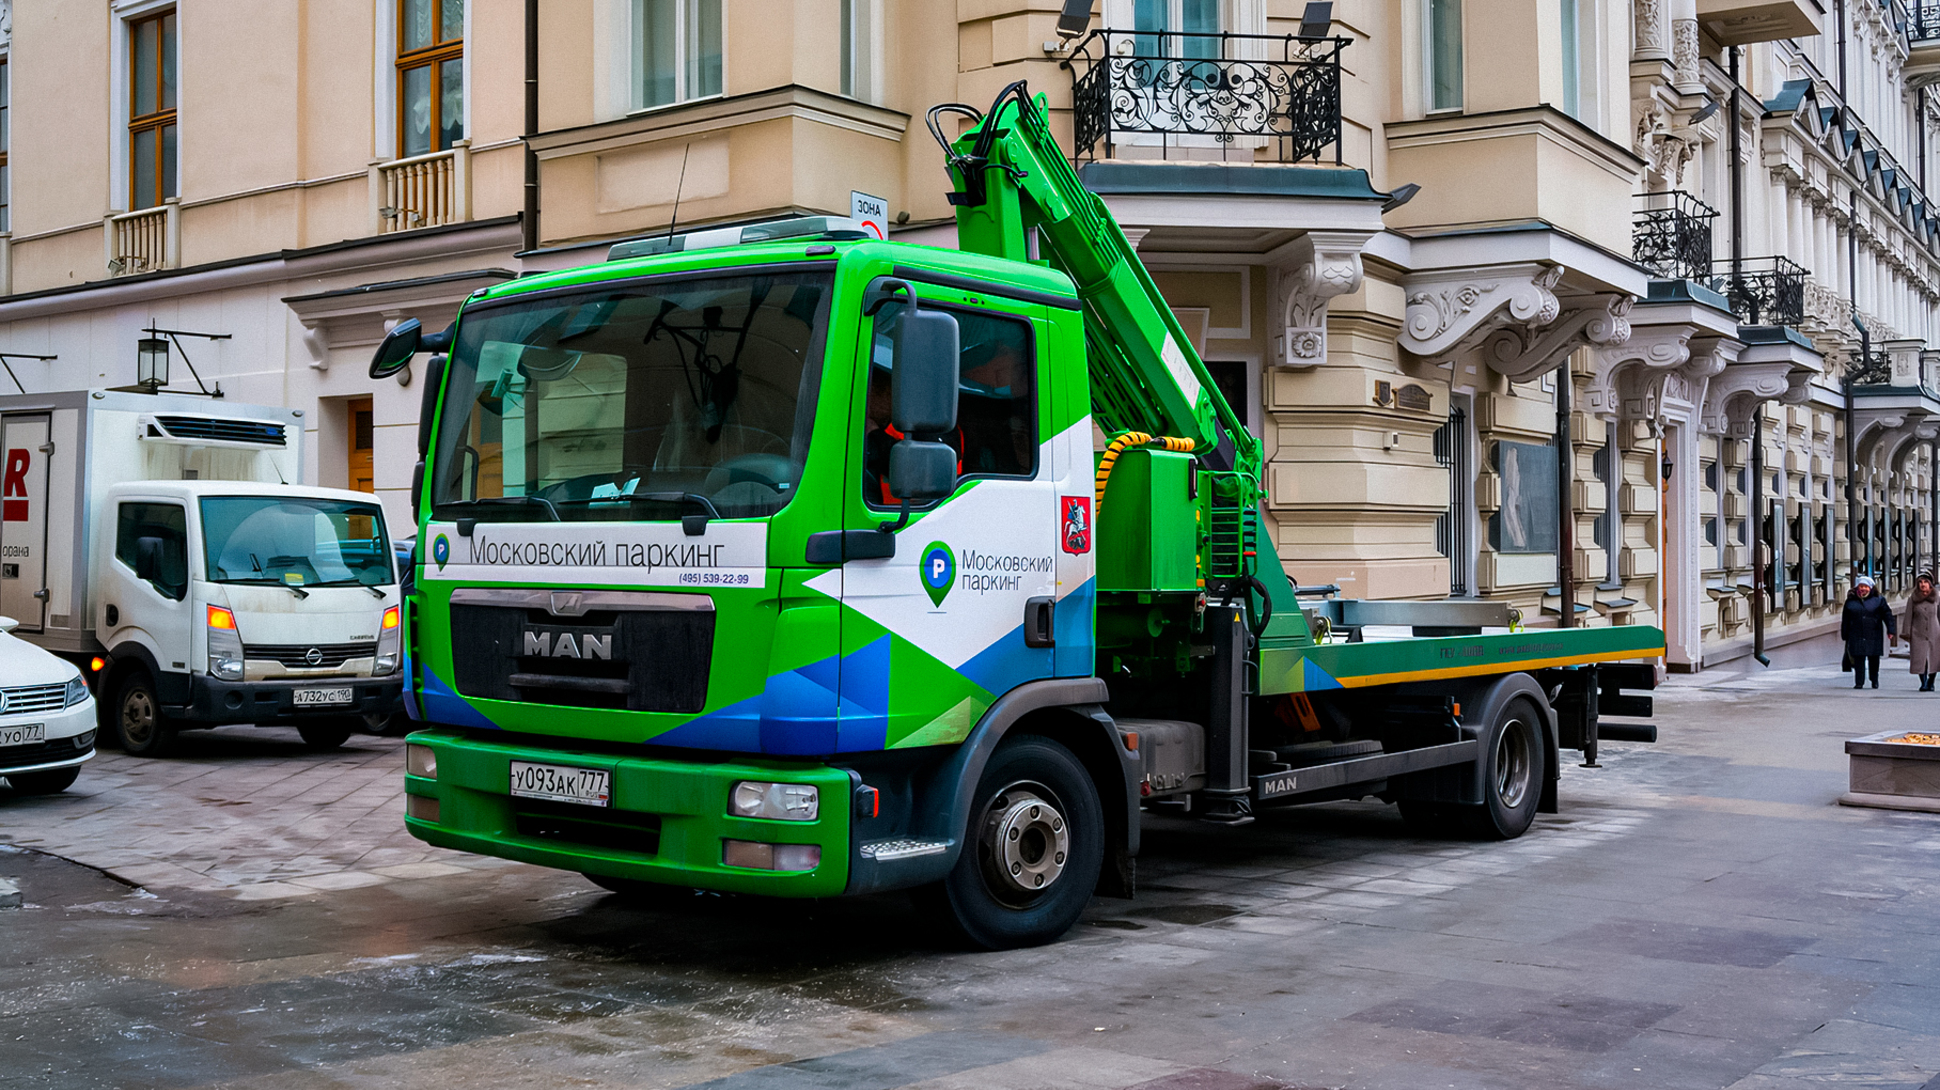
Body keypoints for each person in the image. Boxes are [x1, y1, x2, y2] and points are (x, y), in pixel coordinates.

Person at [1842, 575, 1898, 689]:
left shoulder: (1879, 600)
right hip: (1856, 634)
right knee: (1858, 659)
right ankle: (1859, 682)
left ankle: (1874, 680)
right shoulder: (1851, 600)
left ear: (1871, 588)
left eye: (1866, 587)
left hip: (1873, 634)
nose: (1863, 589)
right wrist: (1845, 633)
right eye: (1861, 586)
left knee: (1874, 659)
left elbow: (1887, 615)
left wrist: (1891, 630)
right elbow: (1846, 619)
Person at [1907, 571, 1940, 691]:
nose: (1923, 584)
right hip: (1918, 633)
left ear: (1930, 584)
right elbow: (1908, 616)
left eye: (1926, 582)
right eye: (1920, 582)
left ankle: (1931, 682)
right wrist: (1907, 633)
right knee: (1920, 659)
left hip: (1934, 633)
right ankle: (1923, 682)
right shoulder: (1913, 599)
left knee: (1934, 659)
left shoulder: (1937, 597)